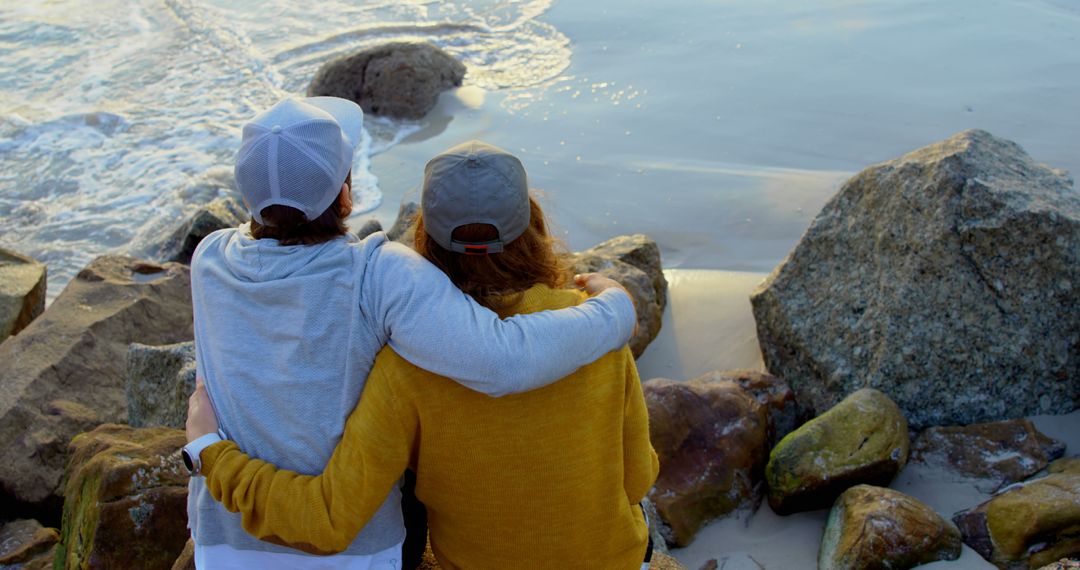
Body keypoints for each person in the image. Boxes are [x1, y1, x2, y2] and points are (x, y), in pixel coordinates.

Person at [182, 99, 638, 569]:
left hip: (222, 540)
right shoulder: (379, 274)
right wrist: (615, 312)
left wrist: (207, 451)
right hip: (354, 552)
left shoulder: (208, 257)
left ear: (245, 198)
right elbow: (503, 360)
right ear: (346, 196)